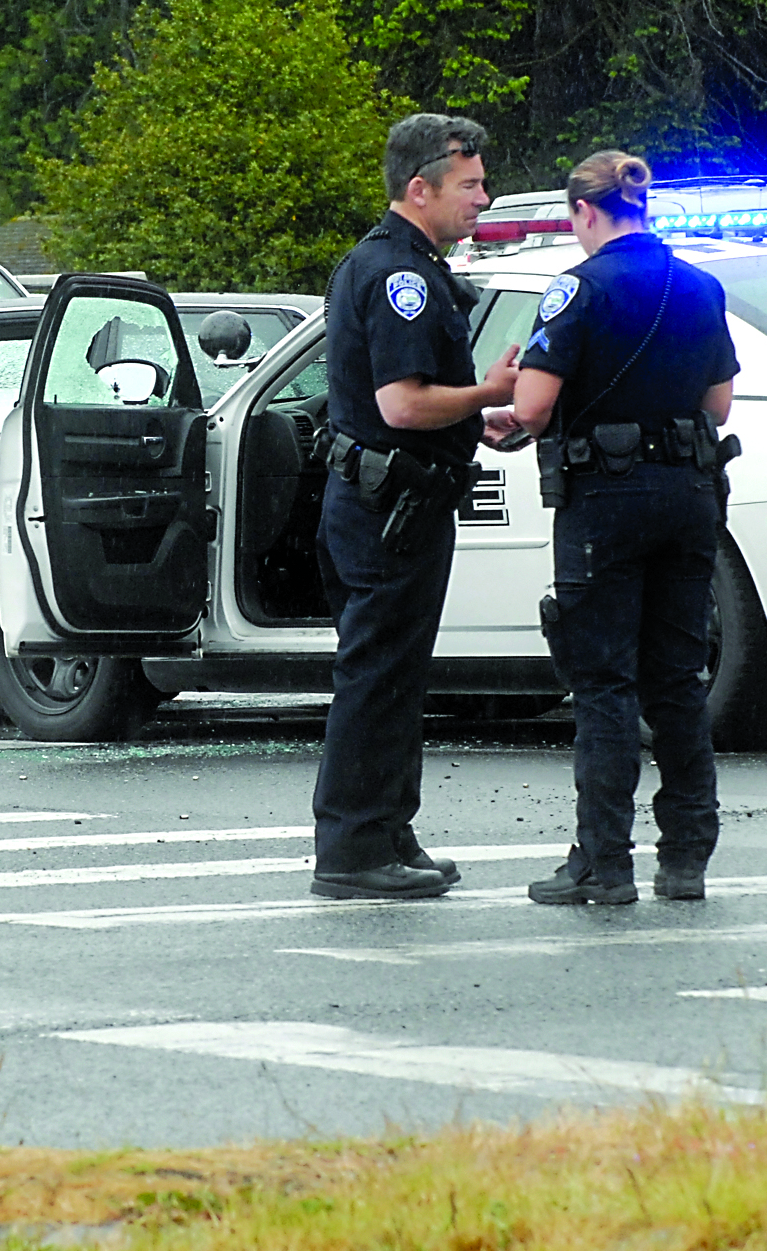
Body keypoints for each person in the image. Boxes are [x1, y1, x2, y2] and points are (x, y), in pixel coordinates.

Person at [509, 149, 738, 904]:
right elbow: (718, 407)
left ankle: (605, 864)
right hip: (688, 492)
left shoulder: (576, 289)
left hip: (604, 501)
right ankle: (686, 858)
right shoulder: (699, 285)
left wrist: (507, 422)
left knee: (603, 682)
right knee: (676, 678)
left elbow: (535, 406)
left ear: (583, 211)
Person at [309, 113, 523, 900]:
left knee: (395, 674)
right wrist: (489, 392)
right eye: (469, 184)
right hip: (388, 505)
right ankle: (352, 848)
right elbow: (400, 405)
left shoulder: (407, 266)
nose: (483, 197)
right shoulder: (398, 277)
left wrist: (476, 416)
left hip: (393, 497)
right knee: (377, 676)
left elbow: (419, 402)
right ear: (418, 187)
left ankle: (388, 828)